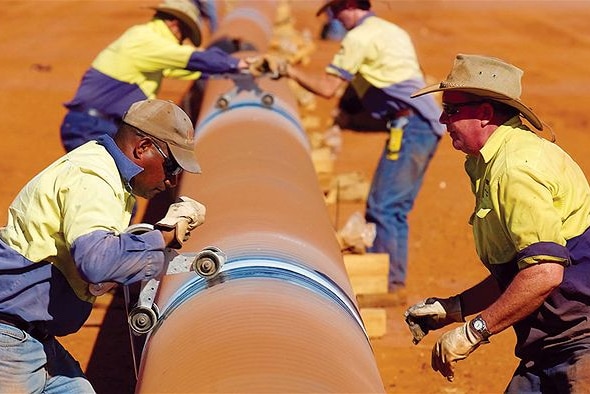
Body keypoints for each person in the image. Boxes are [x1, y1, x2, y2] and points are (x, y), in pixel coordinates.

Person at [404, 54, 590, 392]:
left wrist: (474, 331)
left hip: (579, 343)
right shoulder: (490, 164)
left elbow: (544, 273)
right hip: (552, 344)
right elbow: (522, 270)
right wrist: (453, 309)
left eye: (453, 110)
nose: (443, 119)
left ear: (486, 114)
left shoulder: (515, 169)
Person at [0, 99, 207, 392]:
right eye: (171, 165)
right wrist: (164, 236)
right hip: (9, 340)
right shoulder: (94, 178)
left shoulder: (109, 176)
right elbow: (97, 262)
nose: (173, 180)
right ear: (143, 147)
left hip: (33, 338)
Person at [278, 0, 444, 303]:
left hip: (411, 126)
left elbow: (328, 87)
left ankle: (386, 285)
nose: (334, 18)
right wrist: (344, 120)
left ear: (351, 5)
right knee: (393, 206)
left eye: (336, 11)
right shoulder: (389, 30)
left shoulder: (359, 37)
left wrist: (286, 70)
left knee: (384, 206)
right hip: (417, 124)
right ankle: (390, 277)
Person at [60, 0, 253, 152]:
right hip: (91, 127)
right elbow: (187, 58)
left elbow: (184, 67)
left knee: (119, 191)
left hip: (97, 126)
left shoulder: (148, 45)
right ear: (175, 24)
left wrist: (226, 68)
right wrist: (240, 64)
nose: (182, 41)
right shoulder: (145, 40)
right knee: (112, 191)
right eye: (184, 36)